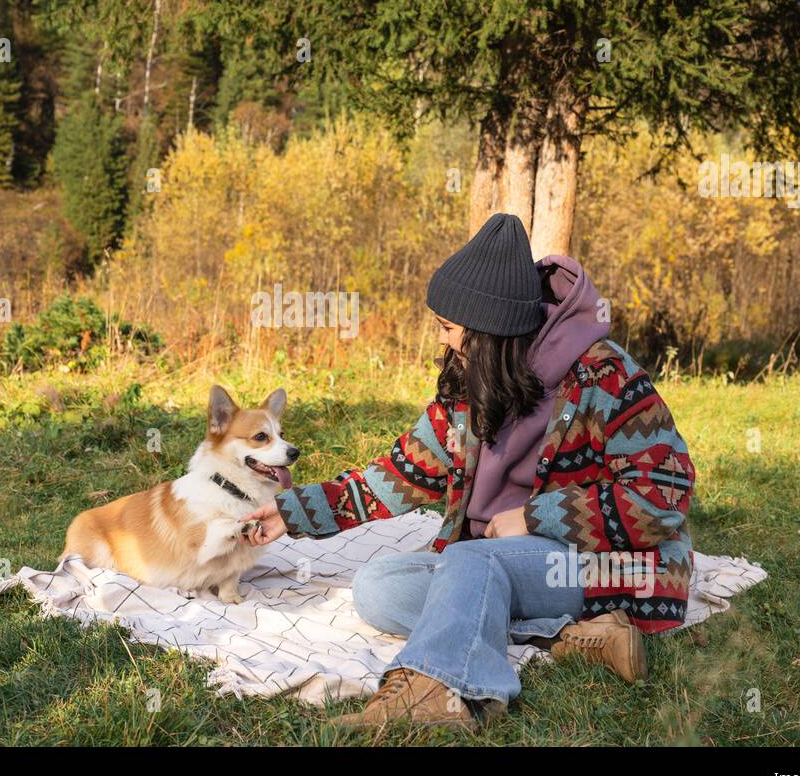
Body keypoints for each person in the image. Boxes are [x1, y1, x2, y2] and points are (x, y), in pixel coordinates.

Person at [240, 213, 695, 731]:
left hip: (603, 569)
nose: (445, 342)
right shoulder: (471, 386)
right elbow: (395, 474)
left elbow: (664, 494)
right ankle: (574, 638)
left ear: (490, 331)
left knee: (472, 562)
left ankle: (441, 692)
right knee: (379, 587)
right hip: (495, 563)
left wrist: (536, 517)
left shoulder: (605, 376)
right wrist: (291, 511)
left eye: (450, 328)